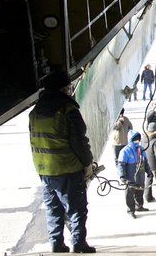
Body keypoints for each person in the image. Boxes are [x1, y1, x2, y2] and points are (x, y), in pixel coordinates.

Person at [28, 71, 96, 253]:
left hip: (45, 171)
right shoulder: (68, 110)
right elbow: (79, 142)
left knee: (53, 210)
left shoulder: (34, 113)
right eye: (68, 87)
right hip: (67, 169)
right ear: (63, 89)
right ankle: (79, 244)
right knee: (76, 210)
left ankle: (56, 244)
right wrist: (87, 163)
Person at [117, 130, 151, 218]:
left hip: (140, 175)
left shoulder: (141, 149)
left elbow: (145, 161)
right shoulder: (125, 151)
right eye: (135, 139)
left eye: (138, 139)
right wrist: (122, 176)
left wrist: (149, 171)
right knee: (129, 194)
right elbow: (121, 165)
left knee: (140, 191)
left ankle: (139, 206)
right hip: (130, 177)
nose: (137, 141)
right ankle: (130, 210)